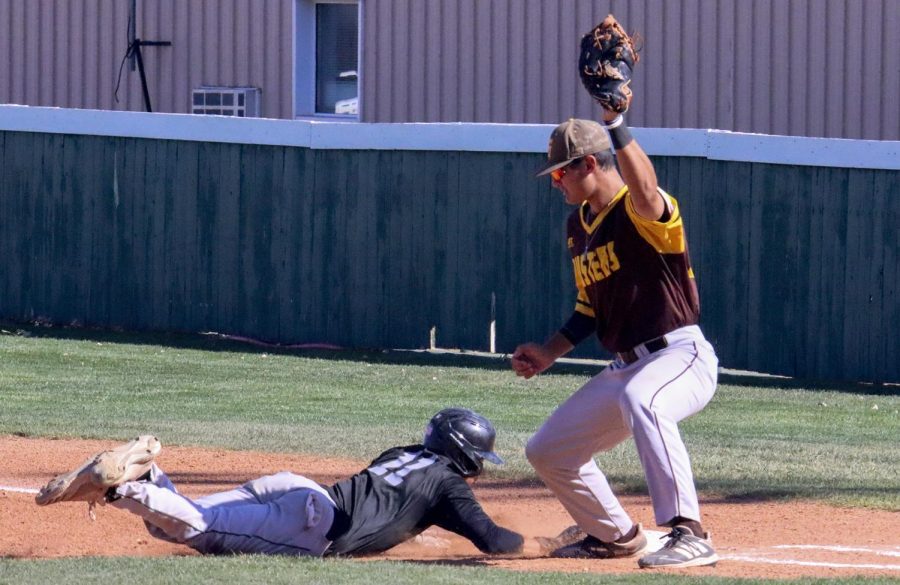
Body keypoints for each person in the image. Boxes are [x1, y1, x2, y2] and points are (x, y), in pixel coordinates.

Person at [511, 105, 719, 568]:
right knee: (548, 450)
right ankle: (615, 535)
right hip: (626, 366)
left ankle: (691, 533)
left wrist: (615, 123)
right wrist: (549, 352)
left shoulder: (641, 208)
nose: (554, 181)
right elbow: (590, 309)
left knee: (646, 400)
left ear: (588, 163)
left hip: (679, 354)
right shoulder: (576, 227)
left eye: (560, 171)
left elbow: (645, 187)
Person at [35, 408, 524, 558]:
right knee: (198, 528)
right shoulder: (448, 486)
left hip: (296, 489)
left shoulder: (404, 454)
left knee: (172, 523)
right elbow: (492, 541)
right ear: (461, 454)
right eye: (476, 459)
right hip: (313, 527)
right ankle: (121, 487)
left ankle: (147, 473)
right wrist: (551, 544)